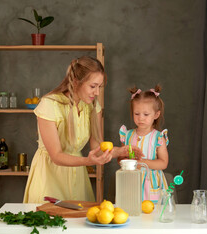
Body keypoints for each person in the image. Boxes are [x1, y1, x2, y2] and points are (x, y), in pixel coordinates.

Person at [23, 56, 143, 203]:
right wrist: (87, 160)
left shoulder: (92, 106)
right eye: (93, 86)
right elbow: (56, 156)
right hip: (49, 178)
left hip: (77, 178)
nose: (97, 92)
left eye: (100, 87)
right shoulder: (49, 105)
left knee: (78, 223)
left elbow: (97, 147)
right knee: (48, 223)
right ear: (75, 83)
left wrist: (120, 151)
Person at [118, 85, 169, 203]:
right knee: (131, 211)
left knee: (150, 215)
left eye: (146, 115)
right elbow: (121, 158)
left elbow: (163, 163)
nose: (141, 118)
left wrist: (141, 163)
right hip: (130, 183)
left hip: (151, 185)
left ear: (156, 115)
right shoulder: (127, 135)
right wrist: (125, 161)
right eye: (137, 114)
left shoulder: (158, 138)